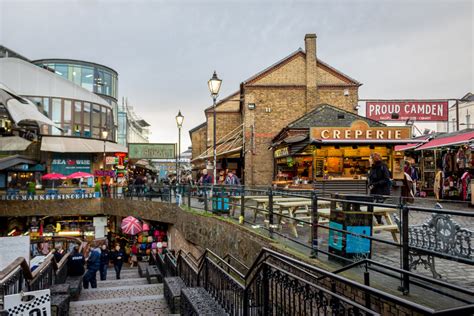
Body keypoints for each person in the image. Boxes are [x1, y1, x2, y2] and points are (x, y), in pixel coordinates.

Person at [368, 153, 391, 224]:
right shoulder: (373, 167)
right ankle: (378, 222)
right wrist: (370, 184)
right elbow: (371, 178)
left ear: (374, 159)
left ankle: (379, 222)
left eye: (370, 158)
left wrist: (375, 184)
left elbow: (386, 179)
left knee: (376, 207)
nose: (369, 160)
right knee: (371, 207)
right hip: (374, 191)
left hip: (382, 191)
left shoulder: (383, 166)